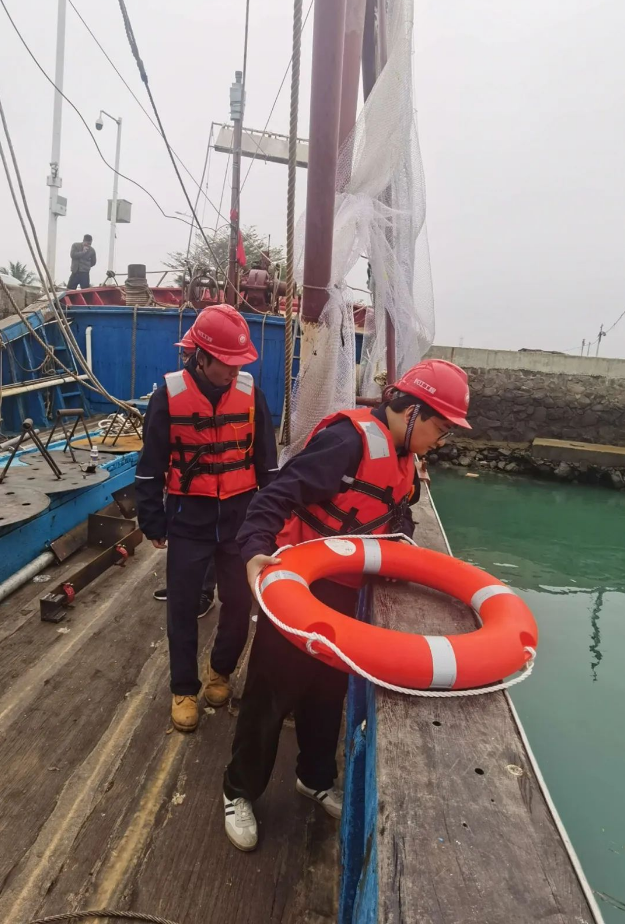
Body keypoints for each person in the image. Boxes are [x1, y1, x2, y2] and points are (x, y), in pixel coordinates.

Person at [222, 359, 471, 850]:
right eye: (441, 428)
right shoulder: (347, 441)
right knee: (271, 699)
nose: (441, 441)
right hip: (300, 593)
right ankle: (239, 792)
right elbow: (277, 496)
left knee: (326, 695)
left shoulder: (404, 457)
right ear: (414, 411)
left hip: (347, 596)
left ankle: (314, 779)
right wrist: (253, 552)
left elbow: (394, 524)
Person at [136, 305, 278, 733]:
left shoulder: (251, 393)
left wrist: (269, 521)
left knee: (239, 601)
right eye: (227, 364)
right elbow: (150, 465)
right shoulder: (168, 395)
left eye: (240, 363)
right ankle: (183, 688)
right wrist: (153, 521)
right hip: (188, 518)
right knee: (182, 606)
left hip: (240, 517)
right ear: (202, 357)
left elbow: (267, 464)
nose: (235, 371)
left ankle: (220, 671)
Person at [152, 329, 216, 618]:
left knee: (212, 544)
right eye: (185, 353)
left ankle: (205, 591)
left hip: (217, 493)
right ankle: (182, 588)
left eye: (188, 352)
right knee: (183, 551)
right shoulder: (172, 393)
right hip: (182, 491)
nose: (185, 357)